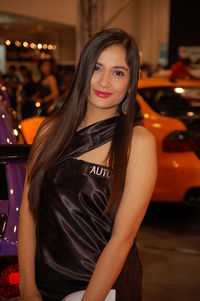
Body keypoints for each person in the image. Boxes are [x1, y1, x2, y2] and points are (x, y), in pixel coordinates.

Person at [18, 28, 157, 301]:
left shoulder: (137, 143)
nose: (104, 82)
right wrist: (27, 288)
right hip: (42, 287)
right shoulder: (50, 132)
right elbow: (29, 212)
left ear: (131, 82)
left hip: (102, 290)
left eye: (118, 73)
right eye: (97, 68)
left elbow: (122, 239)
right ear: (83, 70)